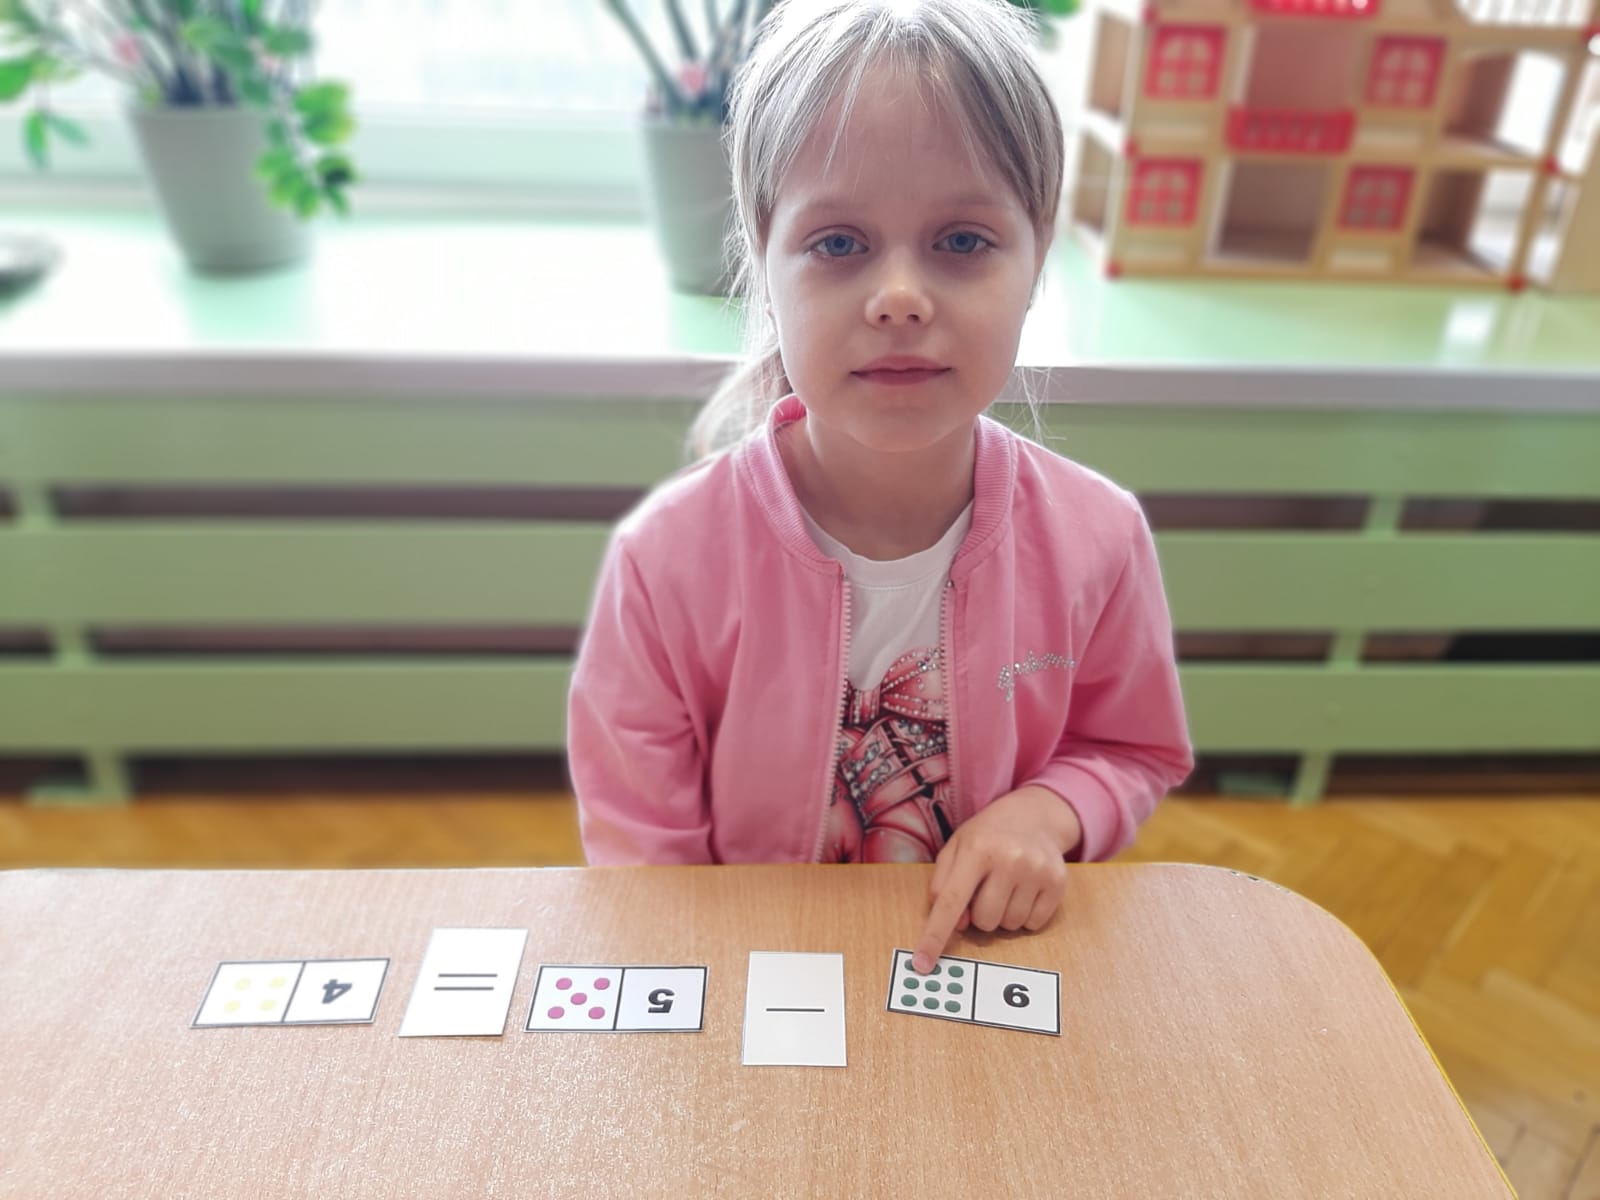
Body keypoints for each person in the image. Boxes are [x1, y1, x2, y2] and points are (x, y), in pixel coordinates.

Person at [568, 0, 1192, 973]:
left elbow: (1133, 750)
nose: (899, 296)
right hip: (749, 974)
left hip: (984, 967)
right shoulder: (665, 562)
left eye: (962, 241)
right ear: (763, 264)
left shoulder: (1099, 538)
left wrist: (1045, 812)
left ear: (1035, 261)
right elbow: (645, 867)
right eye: (838, 243)